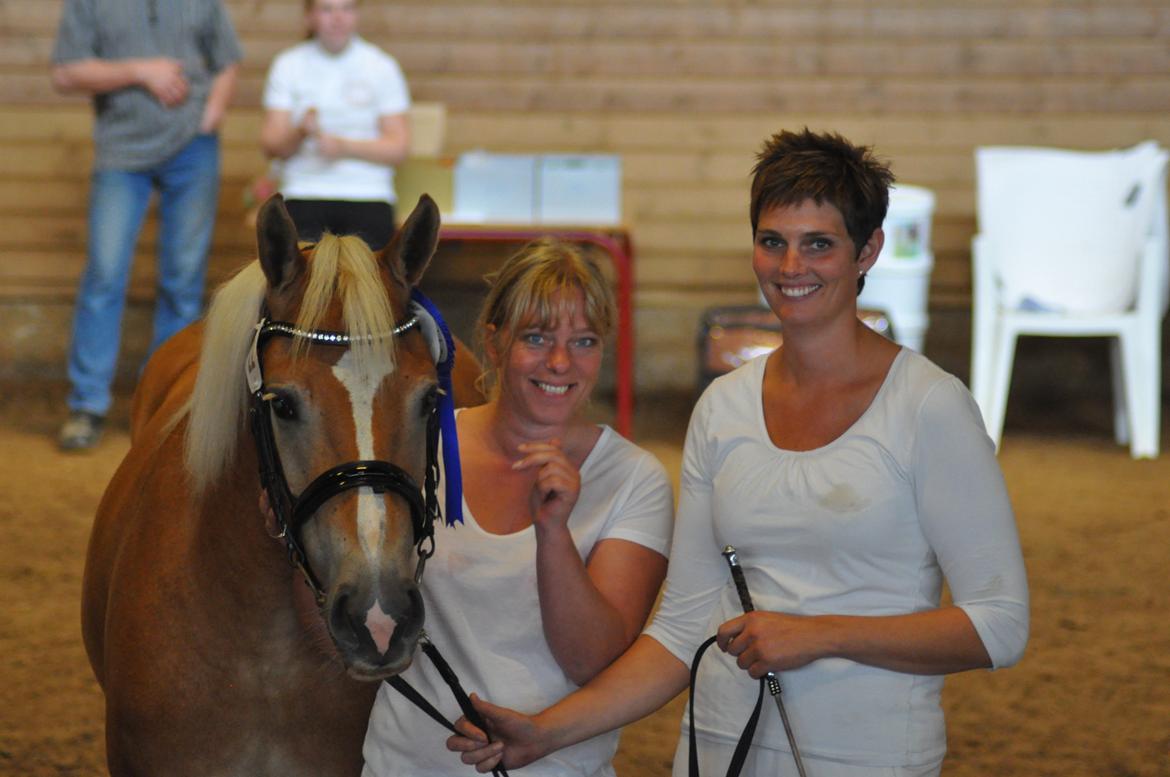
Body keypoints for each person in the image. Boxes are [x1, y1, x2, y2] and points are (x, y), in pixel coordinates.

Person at [448, 130, 1030, 777]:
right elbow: (683, 624)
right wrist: (545, 733)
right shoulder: (722, 408)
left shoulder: (929, 406)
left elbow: (999, 623)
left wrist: (822, 633)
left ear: (867, 251)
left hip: (866, 754)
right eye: (772, 241)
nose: (790, 267)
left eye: (818, 244)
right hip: (721, 747)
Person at [360, 239, 675, 777]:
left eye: (583, 341)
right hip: (404, 764)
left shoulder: (634, 478)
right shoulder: (423, 445)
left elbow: (591, 660)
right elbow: (360, 611)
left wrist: (553, 533)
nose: (559, 361)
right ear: (494, 340)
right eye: (536, 337)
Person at [50, 0, 241, 451]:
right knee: (104, 274)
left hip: (194, 151)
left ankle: (165, 400)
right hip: (120, 153)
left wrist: (211, 114)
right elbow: (66, 72)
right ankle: (87, 404)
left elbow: (227, 61)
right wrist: (141, 70)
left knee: (183, 279)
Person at [260, 0, 411, 250]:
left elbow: (399, 147)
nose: (337, 18)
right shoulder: (288, 65)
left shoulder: (382, 66)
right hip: (304, 192)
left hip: (368, 194)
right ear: (309, 17)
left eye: (347, 8)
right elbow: (271, 146)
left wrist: (343, 147)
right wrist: (300, 132)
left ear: (356, 15)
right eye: (327, 9)